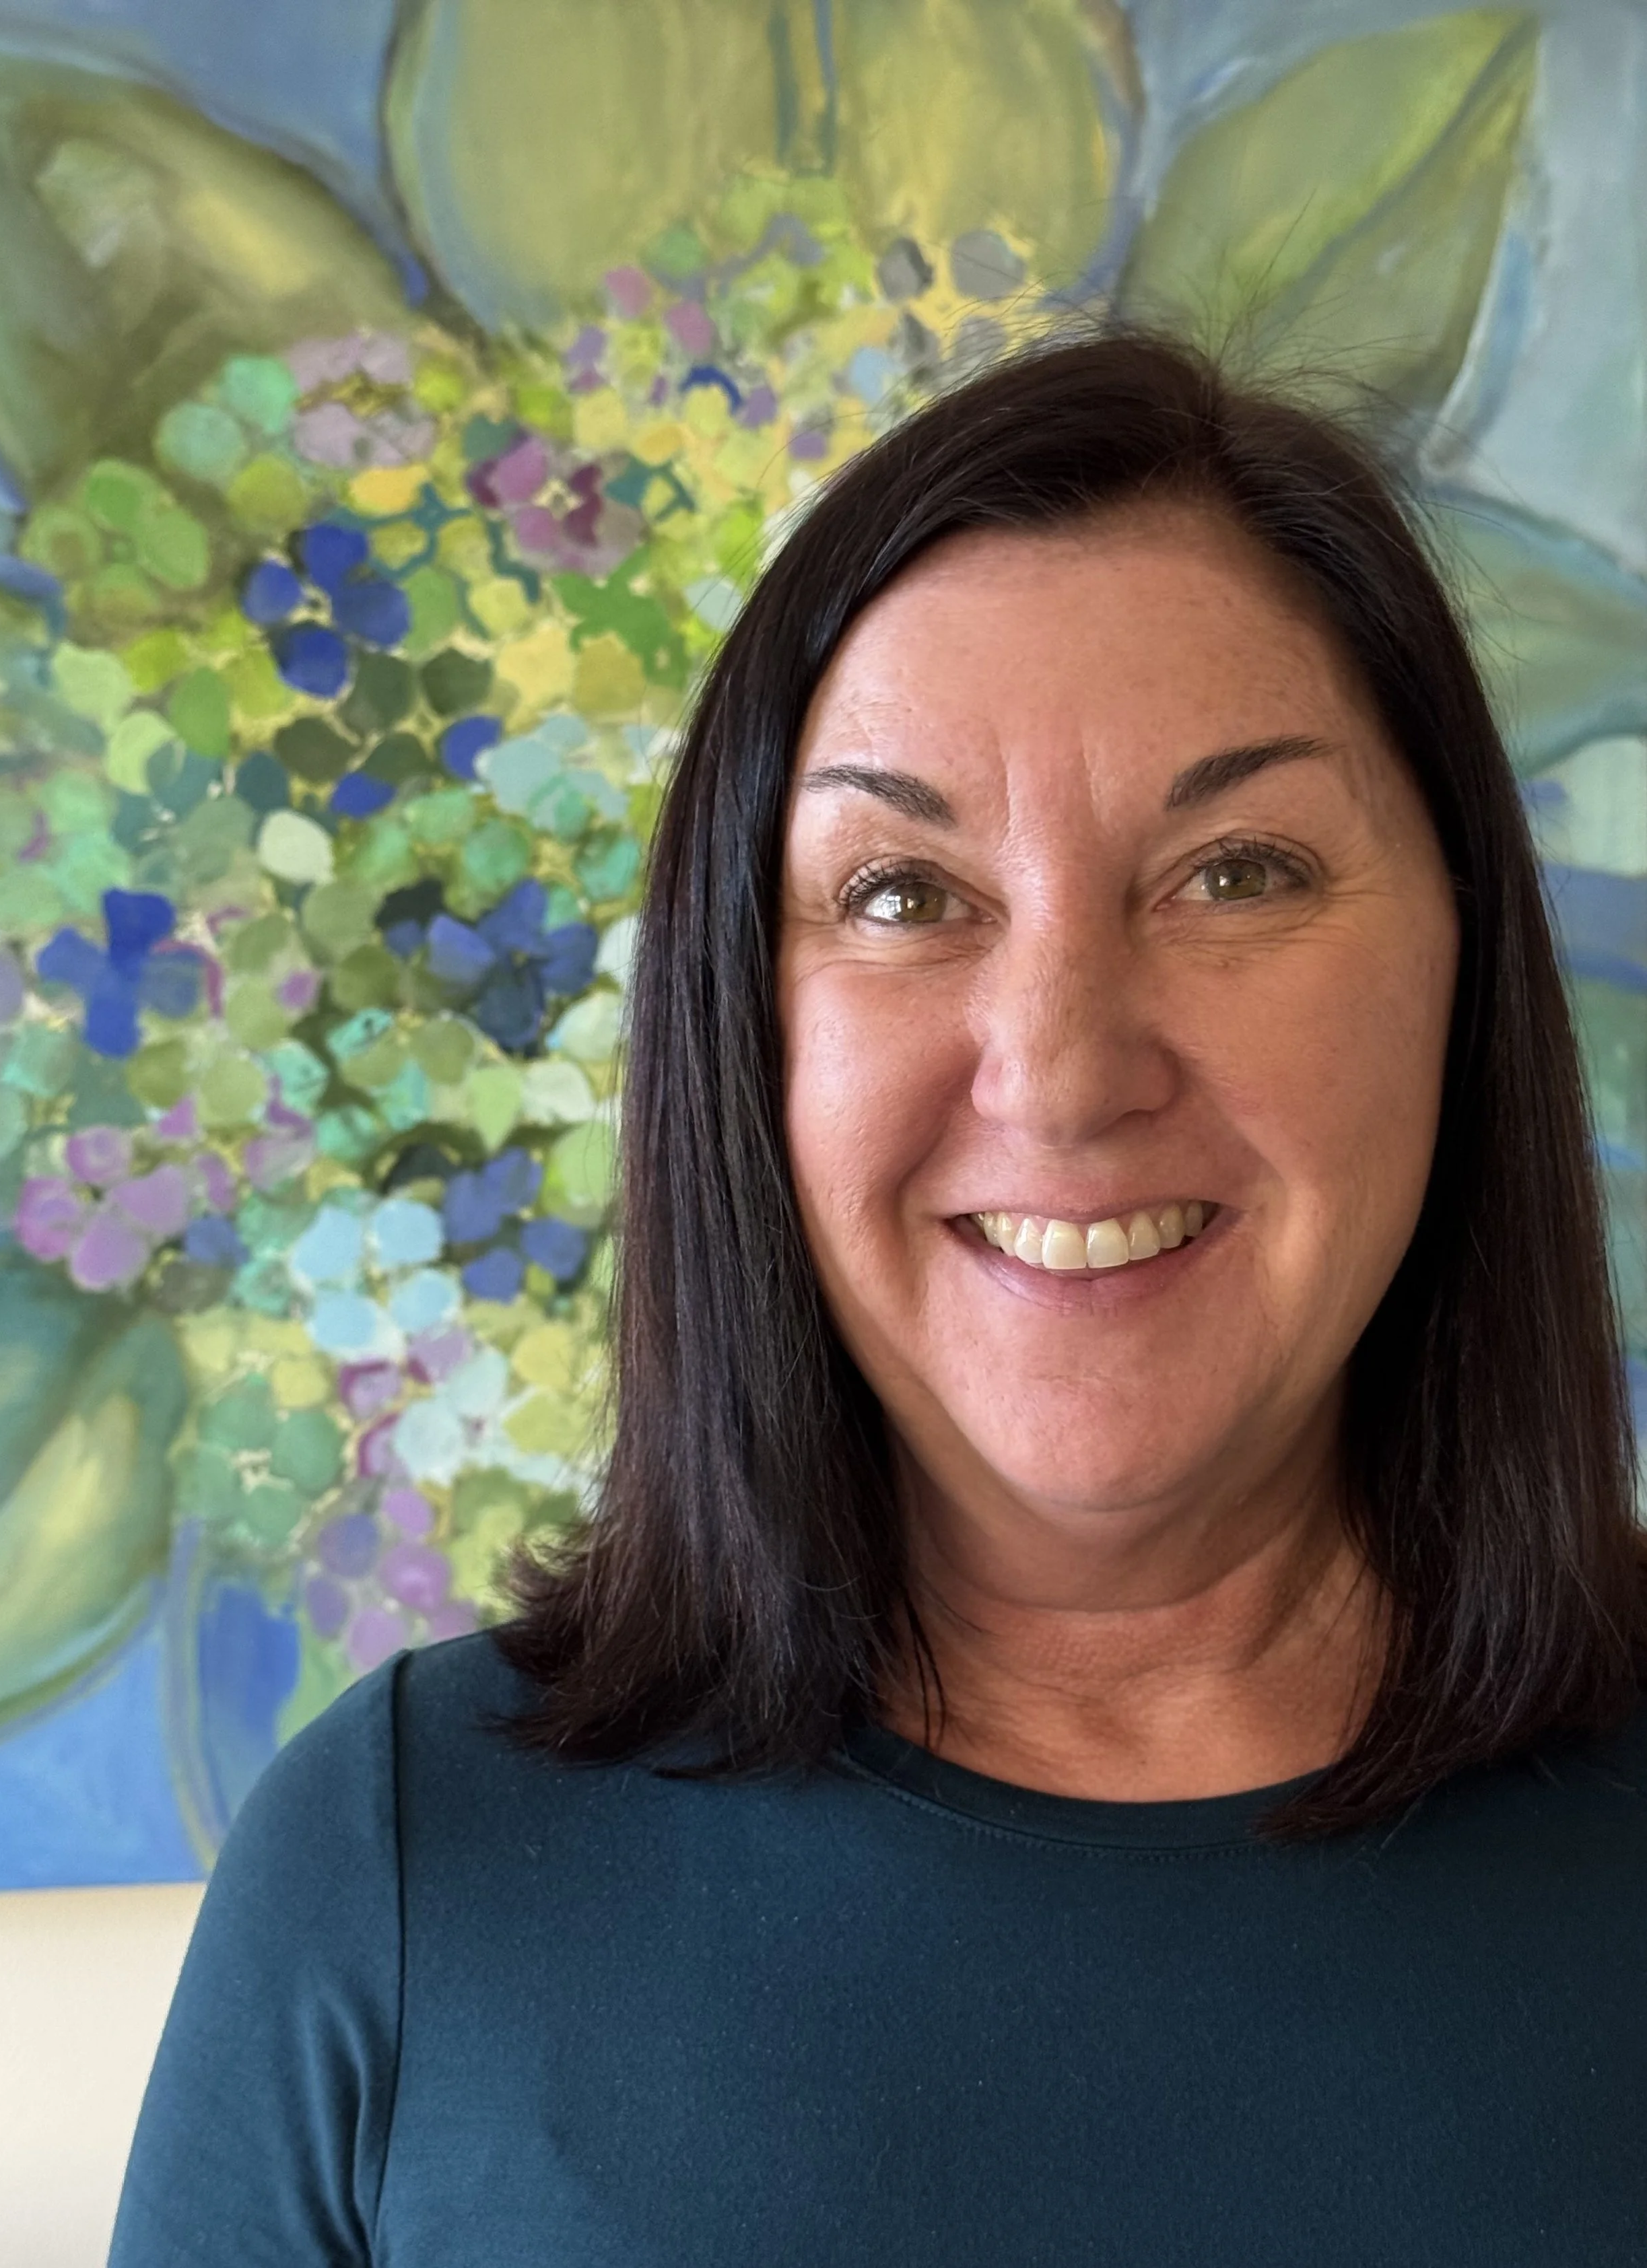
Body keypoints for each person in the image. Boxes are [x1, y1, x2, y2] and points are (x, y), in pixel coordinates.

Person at [109, 331, 1647, 2268]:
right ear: (739, 1028)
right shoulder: (398, 1870)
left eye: (1234, 870)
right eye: (903, 896)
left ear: (1461, 969)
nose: (1064, 1068)